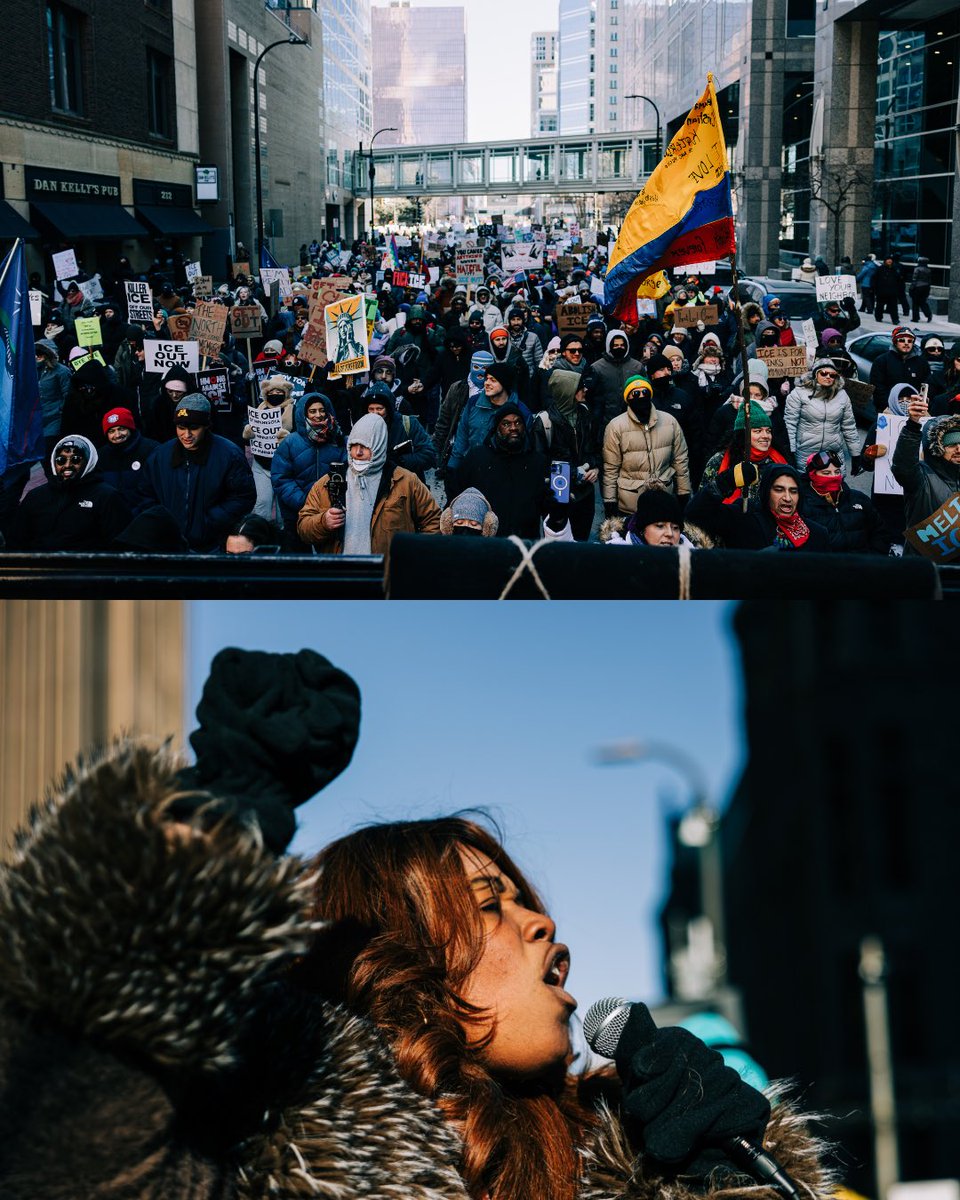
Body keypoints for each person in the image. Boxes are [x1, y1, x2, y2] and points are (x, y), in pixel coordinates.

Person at [0, 645, 832, 1200]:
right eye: (490, 904)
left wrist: (731, 1177)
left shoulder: (627, 1163)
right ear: (398, 961)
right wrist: (196, 842)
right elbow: (67, 1151)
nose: (549, 929)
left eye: (530, 902)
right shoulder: (270, 1170)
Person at [298, 412, 440, 554]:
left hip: (387, 573)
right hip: (342, 573)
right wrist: (323, 522)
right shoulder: (328, 482)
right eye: (354, 446)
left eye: (365, 447)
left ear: (378, 447)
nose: (358, 452)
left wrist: (413, 557)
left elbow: (433, 522)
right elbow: (303, 527)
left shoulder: (406, 481)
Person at [138, 393, 256, 552]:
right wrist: (161, 523)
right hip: (169, 545)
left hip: (212, 546)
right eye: (181, 428)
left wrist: (211, 520)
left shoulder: (229, 455)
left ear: (206, 426)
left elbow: (244, 496)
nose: (186, 435)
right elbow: (145, 495)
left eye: (194, 428)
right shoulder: (160, 456)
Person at [8, 434, 131, 552]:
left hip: (86, 570)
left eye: (75, 459)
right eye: (61, 460)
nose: (67, 465)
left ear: (88, 461)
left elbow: (118, 546)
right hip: (40, 570)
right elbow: (16, 541)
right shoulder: (35, 497)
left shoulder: (107, 497)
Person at [686, 461, 832, 551]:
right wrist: (727, 481)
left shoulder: (817, 534)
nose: (787, 498)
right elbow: (694, 516)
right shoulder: (743, 518)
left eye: (793, 491)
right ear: (766, 492)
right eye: (779, 489)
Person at [458, 402, 551, 540]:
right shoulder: (477, 457)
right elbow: (458, 495)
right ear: (497, 428)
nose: (513, 428)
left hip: (524, 544)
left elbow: (548, 508)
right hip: (485, 543)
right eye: (506, 424)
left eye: (518, 423)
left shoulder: (538, 462)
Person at [602, 375, 691, 519]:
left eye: (645, 392)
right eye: (636, 393)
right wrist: (609, 501)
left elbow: (680, 460)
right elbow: (611, 468)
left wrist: (683, 492)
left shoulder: (670, 421)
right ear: (628, 397)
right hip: (630, 504)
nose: (641, 396)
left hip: (664, 498)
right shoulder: (615, 426)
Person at [530, 372, 599, 541]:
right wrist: (575, 473)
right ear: (566, 392)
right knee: (558, 544)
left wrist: (595, 467)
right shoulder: (544, 422)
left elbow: (593, 448)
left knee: (581, 542)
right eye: (579, 387)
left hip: (585, 494)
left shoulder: (585, 413)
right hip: (558, 495)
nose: (584, 389)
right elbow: (539, 463)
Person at [271, 392, 346, 546]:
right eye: (312, 411)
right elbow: (281, 478)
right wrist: (305, 502)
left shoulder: (339, 440)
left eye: (322, 410)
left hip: (331, 514)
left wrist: (330, 504)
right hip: (296, 513)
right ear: (303, 414)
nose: (318, 415)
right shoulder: (290, 442)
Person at [892, 398, 960, 552]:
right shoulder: (921, 477)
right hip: (925, 565)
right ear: (937, 447)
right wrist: (913, 425)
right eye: (951, 444)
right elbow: (903, 466)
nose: (959, 449)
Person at [800, 449, 889, 554]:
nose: (833, 476)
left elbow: (880, 532)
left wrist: (873, 560)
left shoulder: (859, 499)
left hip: (863, 565)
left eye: (837, 472)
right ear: (812, 475)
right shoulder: (802, 504)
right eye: (826, 473)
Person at [700, 406, 789, 506]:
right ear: (743, 434)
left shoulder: (778, 461)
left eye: (768, 431)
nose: (766, 436)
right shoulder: (718, 461)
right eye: (758, 431)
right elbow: (703, 499)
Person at [784, 360, 861, 472]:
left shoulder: (842, 395)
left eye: (833, 375)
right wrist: (790, 451)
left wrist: (855, 454)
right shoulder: (799, 393)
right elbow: (790, 424)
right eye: (824, 373)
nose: (828, 377)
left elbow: (849, 427)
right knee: (806, 485)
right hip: (806, 451)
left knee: (833, 485)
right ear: (815, 374)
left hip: (833, 452)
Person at [364, 382, 437, 481]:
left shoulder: (409, 424)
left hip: (407, 484)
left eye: (379, 409)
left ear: (388, 409)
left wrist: (401, 460)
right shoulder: (363, 427)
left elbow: (429, 455)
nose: (375, 413)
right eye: (371, 409)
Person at [598, 483, 703, 549]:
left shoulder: (694, 557)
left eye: (675, 528)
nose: (670, 534)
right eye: (660, 526)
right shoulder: (615, 556)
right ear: (642, 530)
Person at [96, 406, 160, 512]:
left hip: (145, 514)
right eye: (111, 431)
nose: (117, 435)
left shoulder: (151, 450)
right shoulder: (101, 455)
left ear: (130, 428)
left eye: (121, 429)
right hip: (113, 515)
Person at [869, 326, 930, 410]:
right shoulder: (882, 361)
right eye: (901, 340)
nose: (906, 343)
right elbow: (878, 388)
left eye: (910, 341)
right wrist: (885, 407)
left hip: (914, 408)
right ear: (895, 342)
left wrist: (920, 405)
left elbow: (926, 386)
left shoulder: (922, 362)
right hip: (889, 408)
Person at [872, 256, 906, 324]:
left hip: (892, 292)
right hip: (881, 291)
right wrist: (874, 289)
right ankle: (878, 317)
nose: (889, 261)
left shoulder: (895, 269)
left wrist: (898, 289)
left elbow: (899, 280)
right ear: (885, 261)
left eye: (890, 260)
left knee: (893, 307)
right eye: (888, 260)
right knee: (880, 306)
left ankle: (895, 319)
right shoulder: (880, 269)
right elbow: (874, 279)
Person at [908, 256, 933, 323]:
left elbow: (914, 279)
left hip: (917, 287)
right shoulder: (928, 270)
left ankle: (915, 318)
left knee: (915, 303)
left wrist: (911, 288)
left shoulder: (917, 269)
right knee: (923, 302)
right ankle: (928, 314)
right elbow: (929, 280)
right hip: (926, 287)